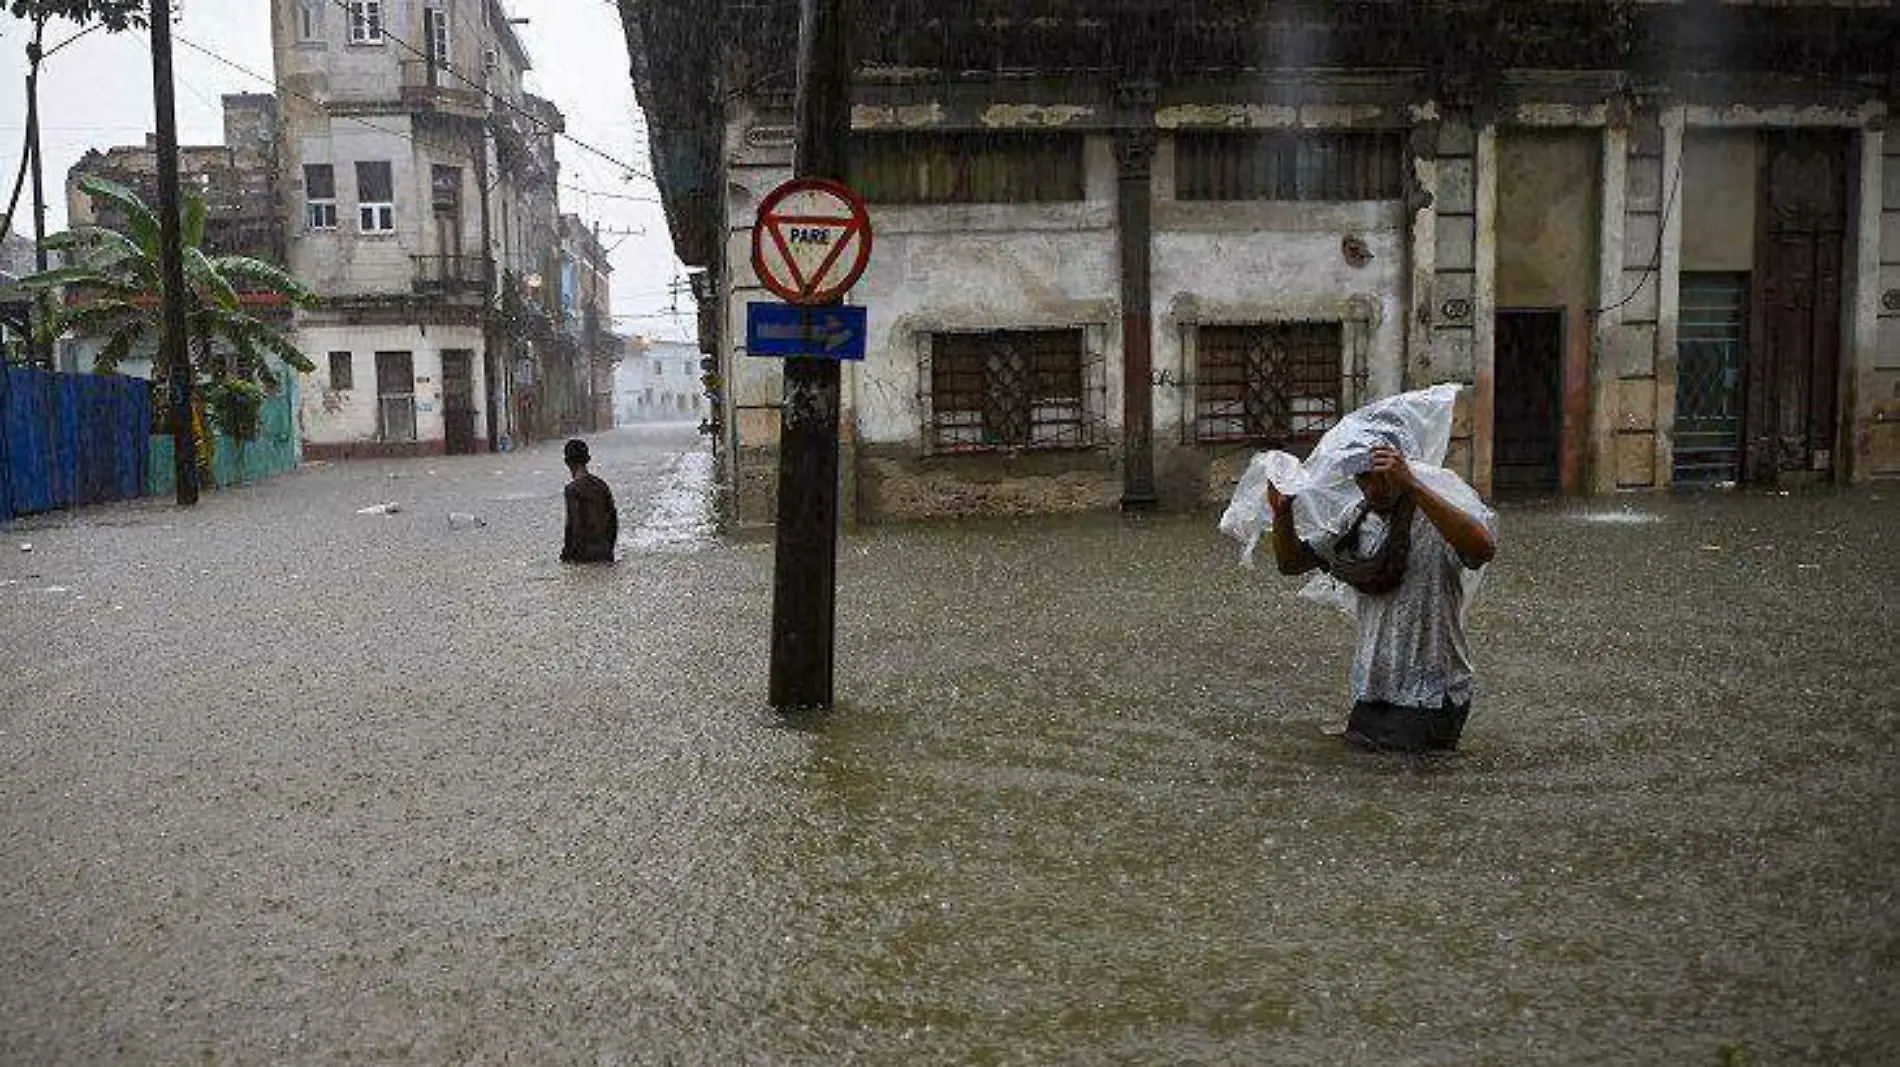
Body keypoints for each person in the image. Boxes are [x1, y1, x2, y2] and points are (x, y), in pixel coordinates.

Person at [1267, 428, 1497, 753]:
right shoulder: (1357, 519)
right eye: (1362, 479)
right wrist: (1282, 515)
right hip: (1373, 687)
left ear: (1401, 469)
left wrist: (1414, 486)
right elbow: (1290, 563)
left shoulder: (1435, 514)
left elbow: (1483, 549)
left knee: (1411, 793)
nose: (1371, 488)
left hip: (1430, 694)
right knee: (1362, 784)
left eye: (1380, 478)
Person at [560, 438, 618, 564]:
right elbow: (613, 521)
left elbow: (573, 527)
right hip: (605, 553)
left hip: (585, 558)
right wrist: (609, 551)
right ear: (588, 459)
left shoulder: (572, 490)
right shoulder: (602, 485)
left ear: (567, 462)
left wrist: (566, 558)